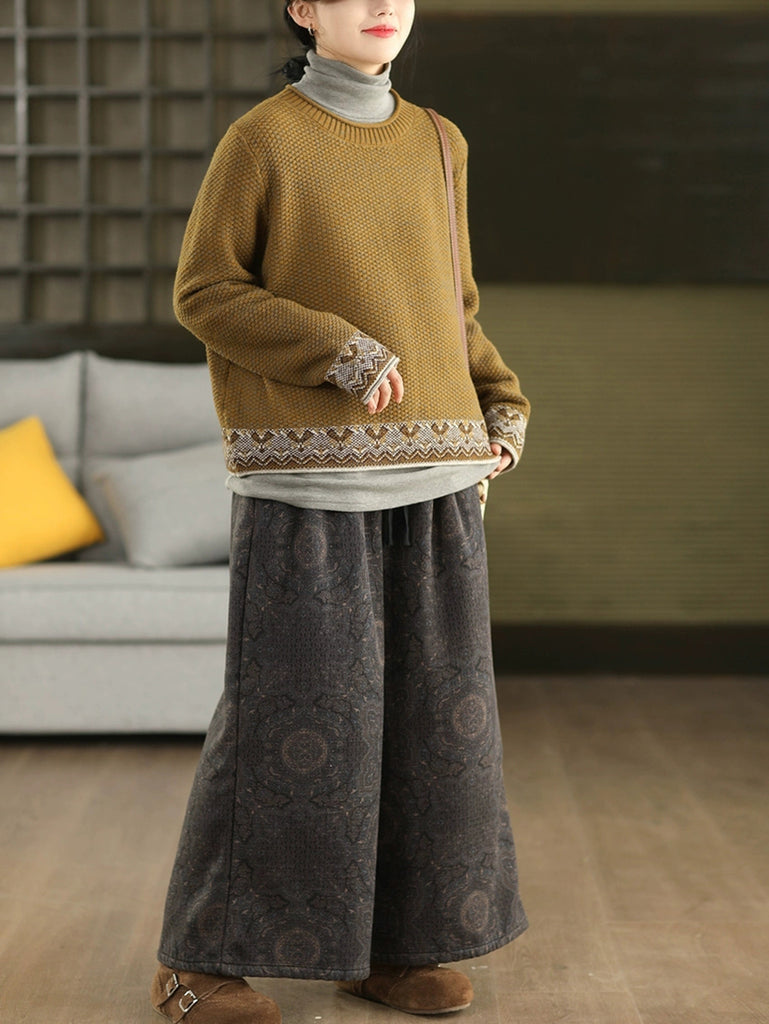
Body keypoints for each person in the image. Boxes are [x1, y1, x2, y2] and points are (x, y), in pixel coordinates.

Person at [150, 2, 530, 1021]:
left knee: (432, 730)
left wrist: (497, 404)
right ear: (304, 10)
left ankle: (393, 949)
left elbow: (450, 303)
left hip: (440, 478)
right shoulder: (262, 139)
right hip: (308, 484)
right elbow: (204, 291)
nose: (382, 5)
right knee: (285, 725)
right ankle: (196, 960)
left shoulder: (440, 141)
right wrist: (339, 350)